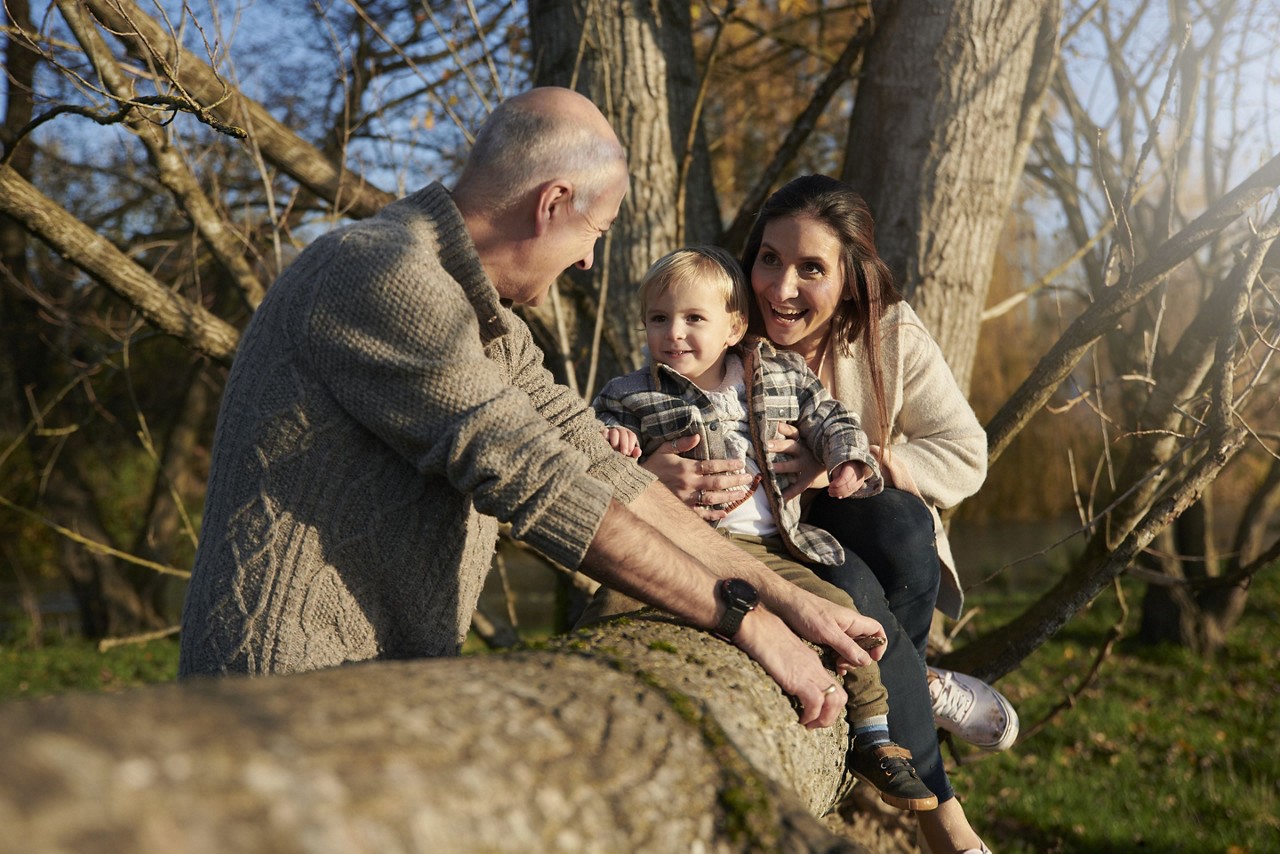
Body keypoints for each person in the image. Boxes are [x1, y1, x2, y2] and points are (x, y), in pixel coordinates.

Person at [177, 89, 888, 732]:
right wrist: (745, 622)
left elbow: (594, 464)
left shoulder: (492, 325)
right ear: (552, 204)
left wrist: (784, 598)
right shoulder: (381, 274)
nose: (585, 263)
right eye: (595, 232)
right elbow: (537, 485)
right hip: (278, 699)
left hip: (378, 696)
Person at [640, 176, 1012, 853]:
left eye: (811, 268)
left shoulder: (888, 334)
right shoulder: (709, 328)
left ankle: (902, 685)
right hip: (760, 541)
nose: (782, 288)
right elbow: (638, 426)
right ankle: (941, 806)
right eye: (770, 260)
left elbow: (964, 454)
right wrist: (652, 473)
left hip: (849, 519)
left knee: (901, 523)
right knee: (856, 597)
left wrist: (851, 460)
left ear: (849, 278)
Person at [591, 246, 936, 811]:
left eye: (693, 319)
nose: (674, 334)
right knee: (615, 598)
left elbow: (830, 417)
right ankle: (588, 675)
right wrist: (618, 444)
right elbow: (594, 440)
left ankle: (874, 737)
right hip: (677, 541)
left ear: (734, 326)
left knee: (841, 613)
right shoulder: (628, 394)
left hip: (768, 547)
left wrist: (847, 458)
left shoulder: (778, 375)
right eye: (659, 319)